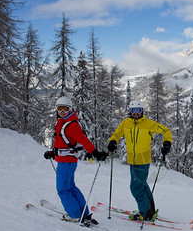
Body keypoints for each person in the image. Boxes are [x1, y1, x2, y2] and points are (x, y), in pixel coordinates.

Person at [44, 96, 108, 224]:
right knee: (70, 187)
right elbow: (62, 142)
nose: (62, 111)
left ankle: (74, 215)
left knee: (63, 189)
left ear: (70, 109)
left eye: (65, 109)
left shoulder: (71, 125)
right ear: (56, 109)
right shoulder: (62, 122)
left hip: (66, 162)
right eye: (60, 108)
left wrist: (94, 153)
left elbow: (84, 141)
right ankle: (82, 213)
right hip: (65, 160)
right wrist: (53, 153)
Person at [107, 100, 172, 222]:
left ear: (142, 112)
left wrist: (167, 144)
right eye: (133, 111)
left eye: (138, 111)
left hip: (143, 160)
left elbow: (166, 131)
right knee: (141, 184)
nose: (135, 113)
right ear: (130, 112)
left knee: (135, 187)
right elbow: (117, 133)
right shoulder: (126, 123)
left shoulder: (148, 124)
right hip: (132, 159)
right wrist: (112, 142)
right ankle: (149, 210)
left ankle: (145, 213)